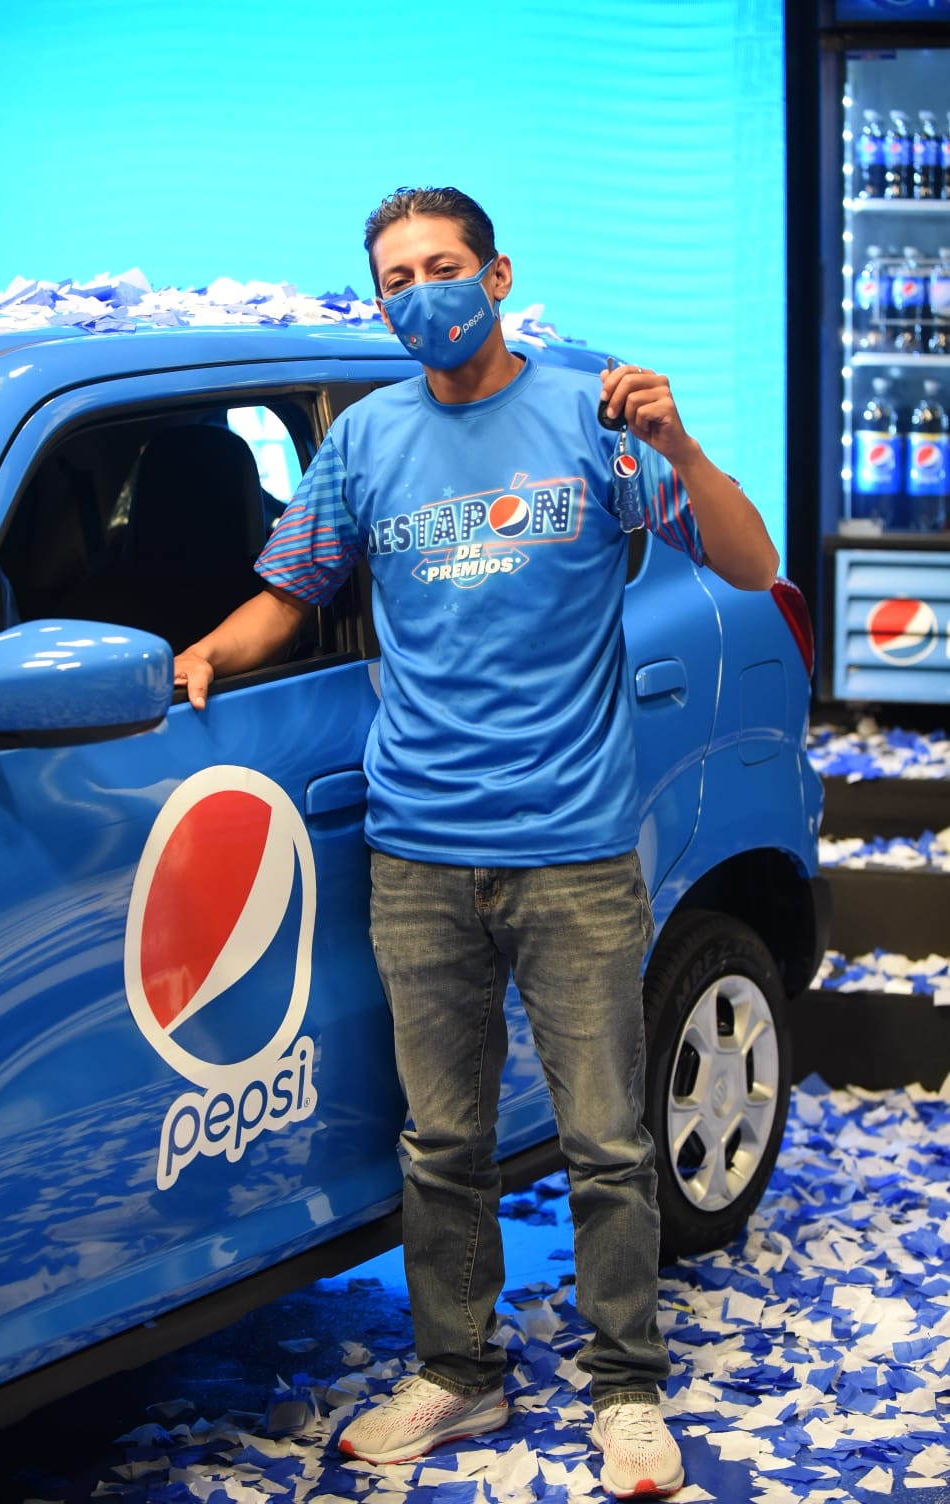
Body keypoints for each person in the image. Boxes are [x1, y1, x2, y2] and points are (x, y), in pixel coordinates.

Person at [174, 186, 779, 1499]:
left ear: (497, 277)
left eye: (442, 266)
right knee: (442, 1144)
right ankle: (459, 1372)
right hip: (418, 850)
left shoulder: (591, 418)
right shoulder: (366, 441)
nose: (422, 294)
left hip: (572, 850)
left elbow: (747, 561)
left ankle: (627, 1389)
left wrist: (678, 444)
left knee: (606, 1141)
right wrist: (207, 655)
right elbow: (290, 594)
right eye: (396, 279)